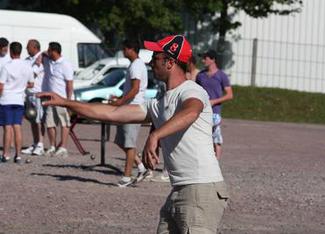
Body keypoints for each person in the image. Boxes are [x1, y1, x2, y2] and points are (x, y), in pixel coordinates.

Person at [38, 35, 229, 233]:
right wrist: (66, 102)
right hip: (180, 189)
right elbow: (111, 113)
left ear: (170, 62)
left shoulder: (191, 91)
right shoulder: (159, 102)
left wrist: (155, 136)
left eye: (155, 58)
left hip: (201, 189)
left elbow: (190, 112)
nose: (149, 62)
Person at [109, 39, 150, 187]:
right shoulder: (134, 65)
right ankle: (141, 167)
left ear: (131, 49)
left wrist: (121, 102)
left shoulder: (137, 66)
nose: (123, 52)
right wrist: (120, 98)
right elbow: (130, 89)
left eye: (124, 49)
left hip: (133, 108)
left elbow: (135, 89)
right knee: (121, 141)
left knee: (129, 143)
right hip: (128, 106)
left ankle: (127, 177)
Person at [0, 42, 34, 163]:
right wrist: (21, 85)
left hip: (6, 99)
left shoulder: (7, 67)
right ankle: (18, 155)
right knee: (17, 127)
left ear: (10, 51)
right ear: (20, 52)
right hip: (19, 100)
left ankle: (6, 154)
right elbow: (31, 84)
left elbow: (1, 86)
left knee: (7, 128)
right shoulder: (27, 66)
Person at [196, 49, 233, 159]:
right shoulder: (200, 75)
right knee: (202, 136)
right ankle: (204, 159)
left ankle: (216, 162)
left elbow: (229, 95)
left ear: (213, 60)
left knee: (215, 137)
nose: (203, 61)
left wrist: (214, 101)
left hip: (215, 112)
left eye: (205, 58)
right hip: (201, 111)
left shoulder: (222, 76)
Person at [41, 42, 74, 157]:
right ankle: (52, 146)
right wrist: (44, 54)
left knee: (64, 123)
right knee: (50, 123)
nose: (48, 52)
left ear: (54, 51)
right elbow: (43, 53)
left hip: (62, 99)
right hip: (50, 97)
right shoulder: (49, 60)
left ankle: (63, 147)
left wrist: (69, 101)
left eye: (49, 50)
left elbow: (69, 84)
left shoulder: (65, 64)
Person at [21, 39, 46, 156]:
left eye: (28, 47)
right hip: (29, 94)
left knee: (39, 120)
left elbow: (32, 74)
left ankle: (40, 144)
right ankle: (35, 143)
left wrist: (36, 64)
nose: (26, 49)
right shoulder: (27, 60)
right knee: (32, 120)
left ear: (35, 47)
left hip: (38, 94)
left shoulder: (41, 59)